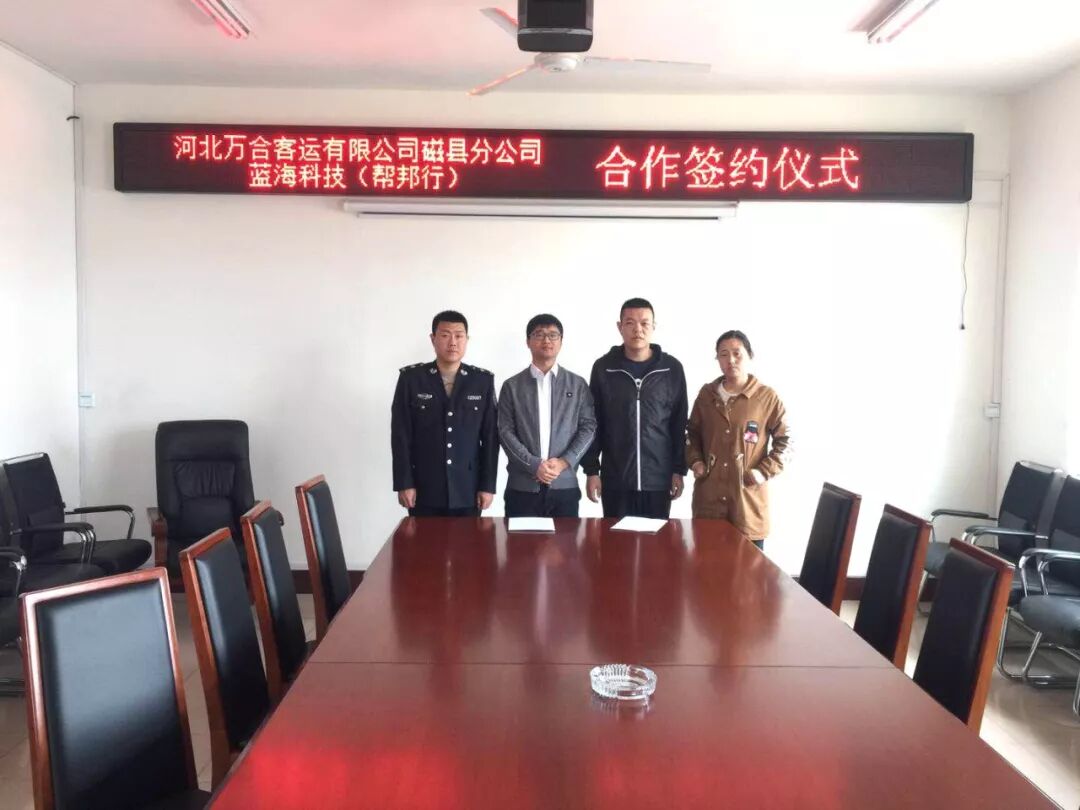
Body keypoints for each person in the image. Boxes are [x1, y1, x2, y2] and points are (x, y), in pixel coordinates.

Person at [582, 297, 689, 519]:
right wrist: (592, 471)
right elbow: (593, 423)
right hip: (616, 480)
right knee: (615, 539)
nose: (638, 329)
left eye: (644, 323)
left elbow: (678, 424)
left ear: (654, 326)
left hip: (658, 481)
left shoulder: (671, 369)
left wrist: (678, 470)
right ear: (619, 327)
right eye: (630, 323)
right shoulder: (604, 368)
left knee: (657, 540)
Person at [686, 330, 791, 549]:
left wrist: (763, 472)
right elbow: (691, 433)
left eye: (737, 353)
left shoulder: (766, 398)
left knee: (747, 570)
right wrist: (695, 461)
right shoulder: (707, 395)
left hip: (747, 508)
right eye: (723, 354)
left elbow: (787, 441)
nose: (730, 360)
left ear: (749, 355)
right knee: (706, 567)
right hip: (708, 504)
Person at [391, 310, 498, 517]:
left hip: (468, 488)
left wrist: (487, 486)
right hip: (424, 487)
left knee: (469, 539)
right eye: (445, 335)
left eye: (459, 336)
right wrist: (404, 483)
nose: (453, 342)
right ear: (433, 339)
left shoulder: (482, 381)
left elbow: (490, 438)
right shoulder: (411, 379)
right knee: (424, 539)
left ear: (467, 340)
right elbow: (400, 435)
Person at [498, 314, 597, 518]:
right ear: (528, 341)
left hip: (565, 487)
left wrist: (563, 462)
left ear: (561, 341)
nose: (546, 340)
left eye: (553, 335)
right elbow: (505, 431)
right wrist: (534, 465)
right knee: (519, 540)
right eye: (539, 334)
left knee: (566, 540)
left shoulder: (577, 385)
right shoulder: (512, 386)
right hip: (522, 489)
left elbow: (588, 428)